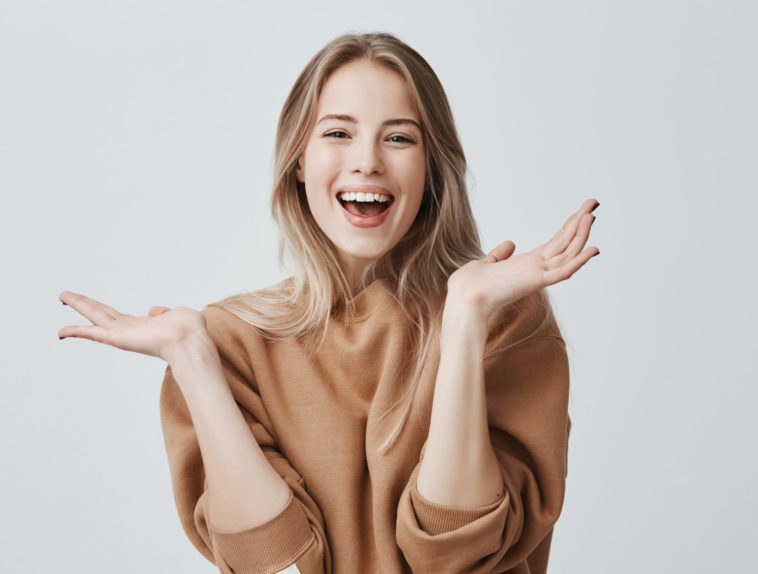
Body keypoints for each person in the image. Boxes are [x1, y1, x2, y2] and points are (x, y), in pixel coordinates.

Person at [57, 31, 598, 574]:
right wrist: (193, 358)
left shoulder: (501, 314)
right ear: (298, 160)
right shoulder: (230, 342)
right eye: (338, 132)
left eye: (400, 139)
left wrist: (462, 319)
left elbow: (455, 554)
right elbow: (270, 564)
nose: (367, 162)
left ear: (433, 167)